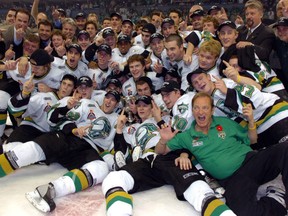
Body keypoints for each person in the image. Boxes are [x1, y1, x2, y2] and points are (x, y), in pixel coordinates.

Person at [155, 92, 288, 216]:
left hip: (252, 162)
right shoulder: (187, 136)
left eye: (205, 108)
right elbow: (160, 151)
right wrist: (163, 140)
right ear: (192, 111)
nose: (201, 112)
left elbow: (252, 139)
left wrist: (251, 121)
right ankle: (276, 200)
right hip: (232, 179)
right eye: (196, 108)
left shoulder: (225, 122)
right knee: (242, 211)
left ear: (212, 110)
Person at [102, 94, 235, 216]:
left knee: (199, 190)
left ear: (153, 107)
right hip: (147, 161)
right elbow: (121, 152)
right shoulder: (132, 128)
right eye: (139, 105)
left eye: (145, 105)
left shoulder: (167, 119)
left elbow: (186, 139)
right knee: (113, 179)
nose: (142, 108)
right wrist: (119, 129)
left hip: (169, 157)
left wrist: (183, 154)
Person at [0, 78, 120, 213]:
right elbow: (61, 119)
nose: (109, 101)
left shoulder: (118, 119)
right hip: (68, 137)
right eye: (107, 97)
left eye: (113, 99)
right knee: (33, 149)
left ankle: (50, 190)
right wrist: (74, 129)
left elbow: (113, 146)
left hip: (86, 149)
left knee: (101, 168)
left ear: (117, 104)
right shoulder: (86, 104)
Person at [187, 68, 288, 149]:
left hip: (275, 113)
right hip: (258, 128)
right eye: (195, 83)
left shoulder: (227, 83)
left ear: (209, 77)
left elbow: (254, 97)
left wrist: (227, 92)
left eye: (200, 78)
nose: (199, 83)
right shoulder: (208, 105)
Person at [4, 74, 76, 146]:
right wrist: (24, 93)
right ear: (60, 84)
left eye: (69, 85)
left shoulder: (73, 106)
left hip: (48, 137)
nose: (65, 87)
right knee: (11, 151)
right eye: (64, 83)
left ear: (73, 89)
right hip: (29, 129)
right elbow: (15, 111)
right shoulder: (42, 97)